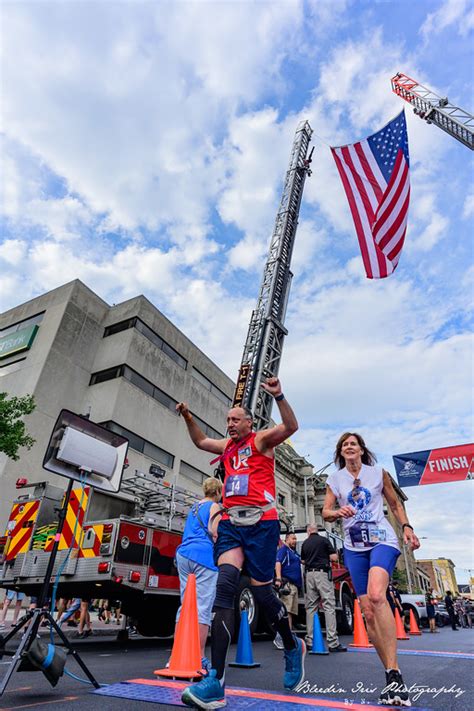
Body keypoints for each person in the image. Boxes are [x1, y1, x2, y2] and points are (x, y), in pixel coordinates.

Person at [176, 377, 303, 710]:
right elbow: (201, 441)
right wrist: (189, 417)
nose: (230, 424)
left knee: (262, 592)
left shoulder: (261, 440)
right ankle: (216, 681)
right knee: (225, 589)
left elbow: (291, 425)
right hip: (232, 522)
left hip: (262, 522)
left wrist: (279, 395)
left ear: (249, 422)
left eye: (235, 419)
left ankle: (291, 645)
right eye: (228, 420)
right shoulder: (227, 447)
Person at [322, 432, 420, 707]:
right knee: (367, 612)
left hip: (382, 541)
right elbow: (326, 512)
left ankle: (395, 677)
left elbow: (394, 503)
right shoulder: (335, 479)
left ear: (362, 449)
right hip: (354, 548)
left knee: (377, 596)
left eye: (353, 443)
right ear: (341, 452)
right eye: (344, 445)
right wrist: (337, 513)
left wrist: (407, 527)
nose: (349, 447)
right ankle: (392, 672)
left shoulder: (378, 473)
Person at [174, 477, 223, 670]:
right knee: (203, 606)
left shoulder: (194, 507)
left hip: (184, 554)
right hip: (204, 557)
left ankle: (177, 652)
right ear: (218, 492)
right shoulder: (215, 507)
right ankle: (199, 655)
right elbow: (215, 532)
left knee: (186, 605)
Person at [300, 524, 346, 653]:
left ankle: (310, 640)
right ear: (316, 531)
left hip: (309, 575)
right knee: (328, 605)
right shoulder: (324, 541)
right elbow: (334, 557)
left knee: (311, 607)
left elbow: (303, 560)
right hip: (322, 574)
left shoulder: (305, 543)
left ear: (308, 531)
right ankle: (332, 642)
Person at [273, 532, 303, 649]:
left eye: (295, 539)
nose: (295, 540)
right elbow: (277, 562)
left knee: (290, 612)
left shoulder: (293, 552)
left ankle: (287, 636)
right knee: (286, 611)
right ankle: (281, 637)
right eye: (293, 538)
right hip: (288, 585)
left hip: (294, 585)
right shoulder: (284, 550)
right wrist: (279, 578)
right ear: (287, 539)